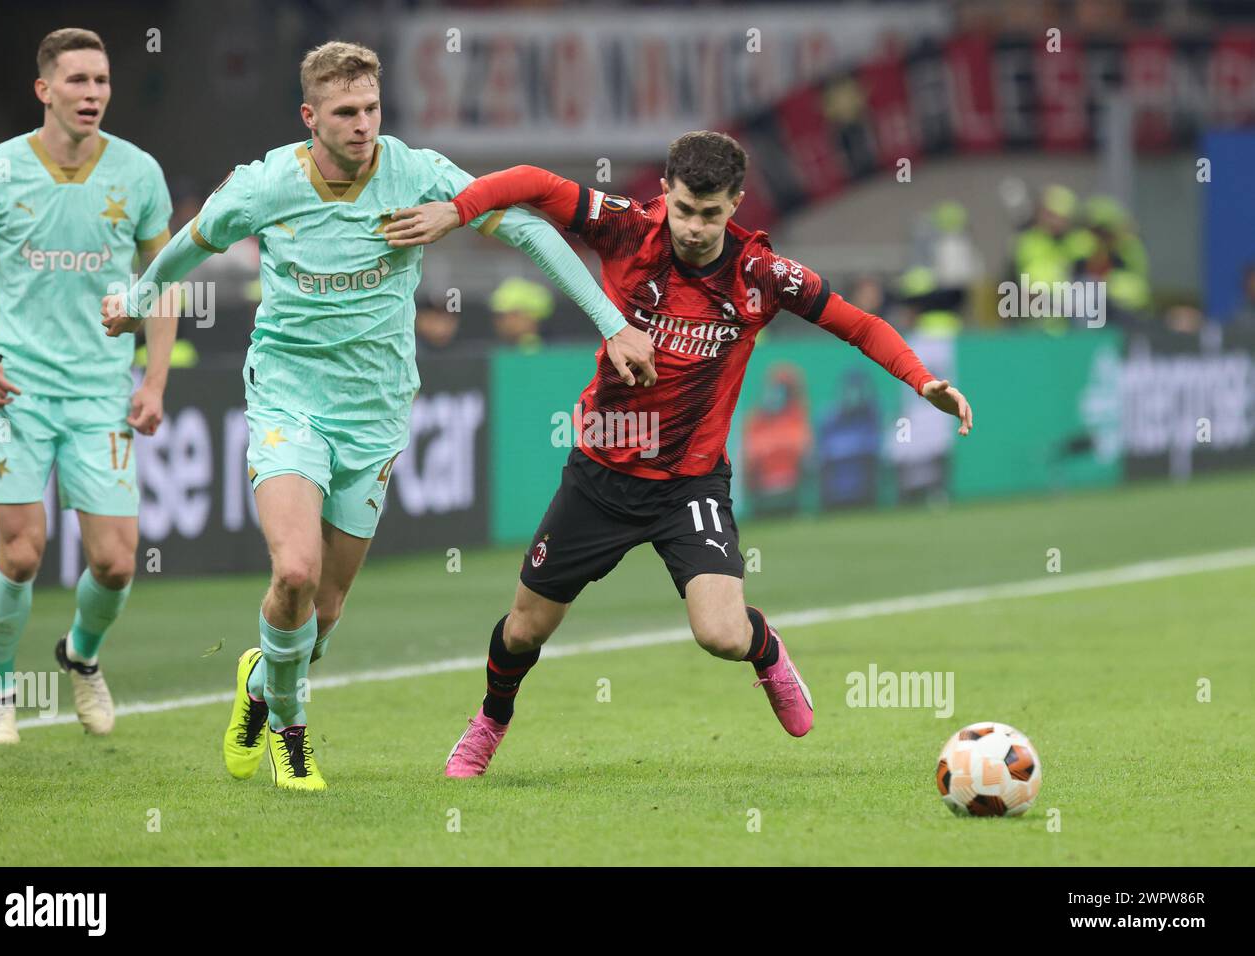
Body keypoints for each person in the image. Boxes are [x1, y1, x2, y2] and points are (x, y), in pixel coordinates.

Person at [100, 41, 655, 790]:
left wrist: (608, 321)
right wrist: (134, 302)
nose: (363, 125)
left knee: (321, 616)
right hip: (288, 399)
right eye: (345, 112)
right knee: (293, 571)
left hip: (376, 414)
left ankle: (262, 682)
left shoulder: (416, 173)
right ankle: (293, 740)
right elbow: (186, 247)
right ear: (310, 118)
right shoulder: (265, 186)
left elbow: (523, 227)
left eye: (371, 108)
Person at [384, 130, 972, 777]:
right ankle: (491, 721)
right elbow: (531, 180)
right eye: (686, 209)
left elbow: (857, 324)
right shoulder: (626, 232)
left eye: (711, 213)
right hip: (600, 475)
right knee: (524, 629)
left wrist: (922, 380)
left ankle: (766, 650)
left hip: (690, 486)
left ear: (736, 204)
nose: (695, 227)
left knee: (719, 634)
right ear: (665, 192)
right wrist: (456, 209)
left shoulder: (760, 273)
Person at [0, 28, 176, 745]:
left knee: (115, 560)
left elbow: (163, 284)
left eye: (102, 81)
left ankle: (80, 655)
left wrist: (154, 380)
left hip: (101, 391)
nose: (93, 94)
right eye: (78, 81)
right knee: (21, 551)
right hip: (16, 384)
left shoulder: (139, 173)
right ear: (44, 90)